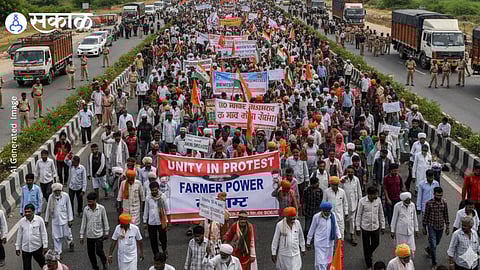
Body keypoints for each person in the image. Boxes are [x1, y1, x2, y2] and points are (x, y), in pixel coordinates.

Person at [356, 186, 386, 270]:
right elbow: (359, 215)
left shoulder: (378, 200)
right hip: (365, 227)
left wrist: (382, 225)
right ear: (369, 195)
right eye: (374, 195)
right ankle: (369, 264)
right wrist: (357, 227)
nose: (376, 196)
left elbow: (381, 213)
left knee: (376, 243)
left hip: (375, 226)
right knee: (366, 246)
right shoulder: (362, 201)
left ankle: (368, 254)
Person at [306, 201, 341, 270]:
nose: (327, 213)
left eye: (329, 211)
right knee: (321, 262)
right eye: (326, 211)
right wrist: (308, 241)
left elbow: (336, 227)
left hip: (330, 243)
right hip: (319, 244)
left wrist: (339, 237)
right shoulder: (316, 217)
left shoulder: (333, 216)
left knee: (327, 261)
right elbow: (312, 229)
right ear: (322, 210)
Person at [80, 192, 109, 270]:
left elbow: (105, 220)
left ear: (95, 200)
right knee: (91, 253)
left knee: (99, 251)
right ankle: (95, 267)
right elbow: (83, 222)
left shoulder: (101, 208)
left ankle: (104, 262)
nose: (89, 203)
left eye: (91, 201)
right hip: (89, 235)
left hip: (99, 235)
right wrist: (81, 235)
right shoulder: (86, 209)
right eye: (88, 201)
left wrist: (106, 232)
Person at [423, 187, 450, 270]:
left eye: (440, 195)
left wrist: (447, 226)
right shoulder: (429, 203)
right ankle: (434, 263)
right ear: (434, 194)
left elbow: (446, 215)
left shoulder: (444, 203)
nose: (439, 197)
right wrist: (424, 227)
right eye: (437, 195)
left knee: (436, 242)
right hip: (431, 226)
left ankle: (429, 248)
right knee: (434, 246)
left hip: (440, 226)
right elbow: (426, 216)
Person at [16, 204, 48, 270]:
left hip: (37, 248)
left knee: (44, 265)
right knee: (26, 267)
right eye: (26, 212)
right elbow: (19, 235)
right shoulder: (22, 222)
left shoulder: (39, 220)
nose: (27, 214)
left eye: (29, 212)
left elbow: (43, 233)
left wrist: (45, 246)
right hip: (25, 249)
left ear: (33, 212)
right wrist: (17, 247)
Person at [44, 183, 74, 255]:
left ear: (61, 190)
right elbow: (48, 208)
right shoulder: (51, 197)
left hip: (65, 219)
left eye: (58, 191)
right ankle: (58, 251)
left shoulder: (65, 196)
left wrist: (70, 219)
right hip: (55, 220)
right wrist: (46, 220)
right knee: (56, 236)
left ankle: (70, 242)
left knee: (67, 234)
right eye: (55, 191)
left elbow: (69, 207)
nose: (57, 192)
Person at [143, 181, 170, 256]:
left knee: (163, 238)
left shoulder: (163, 196)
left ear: (158, 189)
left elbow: (167, 209)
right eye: (152, 190)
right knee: (153, 239)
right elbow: (146, 210)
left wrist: (168, 221)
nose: (154, 191)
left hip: (161, 221)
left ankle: (164, 249)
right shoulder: (148, 198)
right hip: (151, 222)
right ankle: (156, 254)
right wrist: (145, 221)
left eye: (155, 190)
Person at [390, 192, 418, 257]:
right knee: (401, 249)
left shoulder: (412, 205)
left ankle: (409, 262)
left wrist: (416, 229)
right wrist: (392, 230)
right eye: (407, 200)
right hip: (400, 232)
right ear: (403, 200)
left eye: (409, 200)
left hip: (410, 231)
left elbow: (414, 217)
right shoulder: (397, 206)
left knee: (411, 248)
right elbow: (394, 219)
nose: (409, 201)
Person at [340, 166, 362, 245]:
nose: (350, 173)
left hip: (354, 203)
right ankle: (342, 233)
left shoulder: (356, 180)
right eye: (348, 172)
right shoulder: (343, 179)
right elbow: (339, 189)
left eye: (351, 172)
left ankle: (352, 235)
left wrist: (360, 201)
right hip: (344, 204)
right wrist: (341, 182)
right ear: (346, 172)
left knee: (352, 220)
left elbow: (359, 191)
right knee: (344, 219)